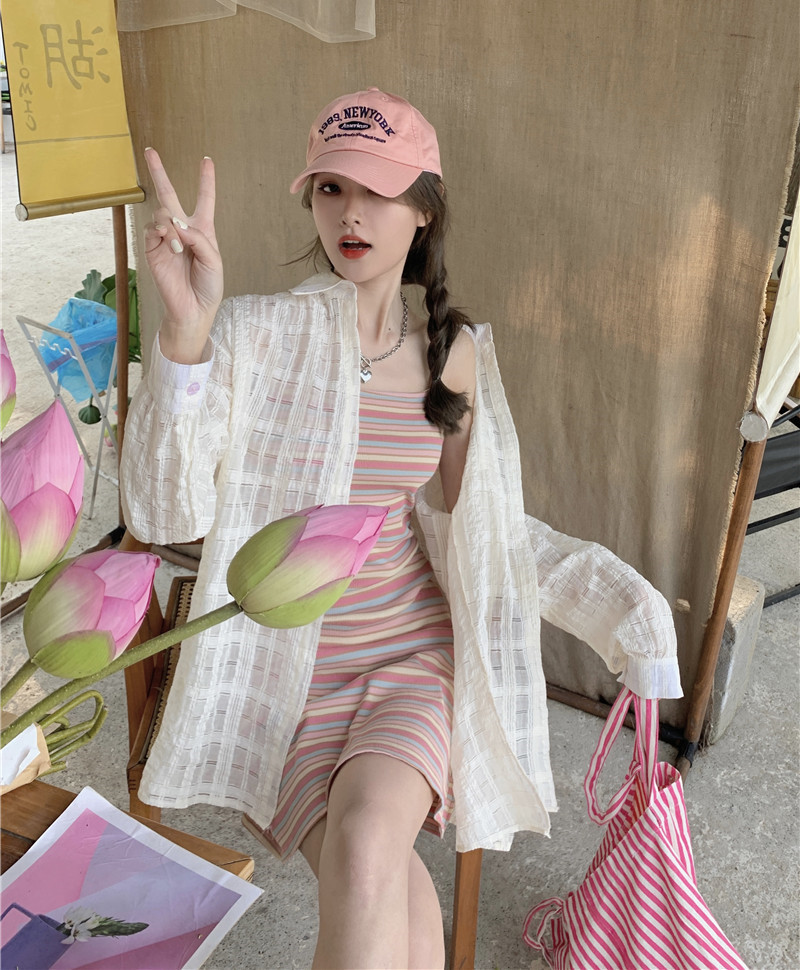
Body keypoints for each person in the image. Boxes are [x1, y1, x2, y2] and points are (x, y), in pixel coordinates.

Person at [121, 87, 682, 969]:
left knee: (362, 853)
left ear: (423, 210)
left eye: (378, 191)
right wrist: (187, 336)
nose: (351, 213)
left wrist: (622, 604)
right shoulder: (258, 333)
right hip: (289, 672)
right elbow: (166, 513)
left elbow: (488, 537)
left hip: (410, 655)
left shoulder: (452, 354)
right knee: (389, 890)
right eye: (331, 188)